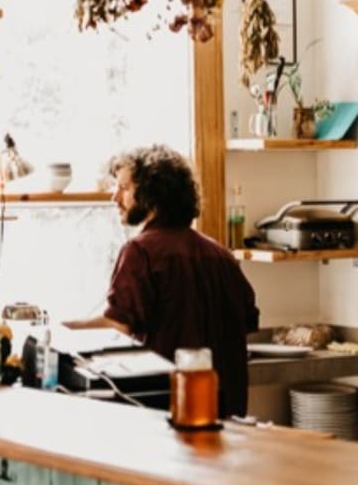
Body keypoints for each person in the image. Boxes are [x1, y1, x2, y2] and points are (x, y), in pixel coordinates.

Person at [64, 144, 259, 417]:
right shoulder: (222, 257)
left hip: (171, 409)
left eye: (124, 188)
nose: (114, 197)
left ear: (151, 194)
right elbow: (248, 322)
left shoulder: (140, 252)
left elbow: (118, 325)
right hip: (229, 415)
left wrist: (61, 330)